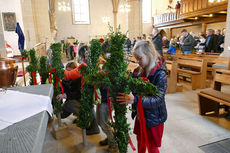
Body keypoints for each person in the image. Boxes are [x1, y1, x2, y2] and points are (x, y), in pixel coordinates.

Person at [117, 41, 168, 153]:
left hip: (154, 118)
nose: (138, 62)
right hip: (141, 115)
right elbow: (131, 85)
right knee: (140, 140)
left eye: (140, 58)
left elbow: (158, 99)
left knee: (152, 145)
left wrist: (136, 100)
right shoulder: (139, 72)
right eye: (136, 59)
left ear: (149, 54)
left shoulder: (160, 74)